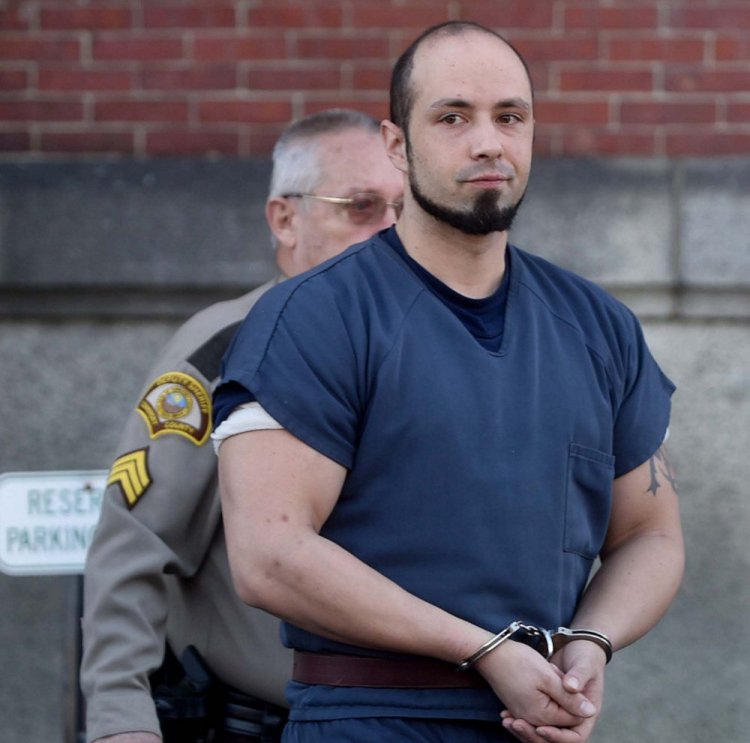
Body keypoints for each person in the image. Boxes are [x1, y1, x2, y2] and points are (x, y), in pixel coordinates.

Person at [213, 20, 685, 743]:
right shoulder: (317, 317)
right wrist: (483, 648)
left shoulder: (597, 326)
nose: (488, 142)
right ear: (398, 144)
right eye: (453, 116)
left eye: (510, 117)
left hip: (539, 718)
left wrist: (589, 643)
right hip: (368, 719)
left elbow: (650, 534)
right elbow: (269, 555)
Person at [80, 108, 404, 743]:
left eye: (403, 207)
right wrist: (121, 720)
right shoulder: (225, 351)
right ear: (285, 219)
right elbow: (135, 545)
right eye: (361, 207)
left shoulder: (423, 348)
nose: (391, 231)